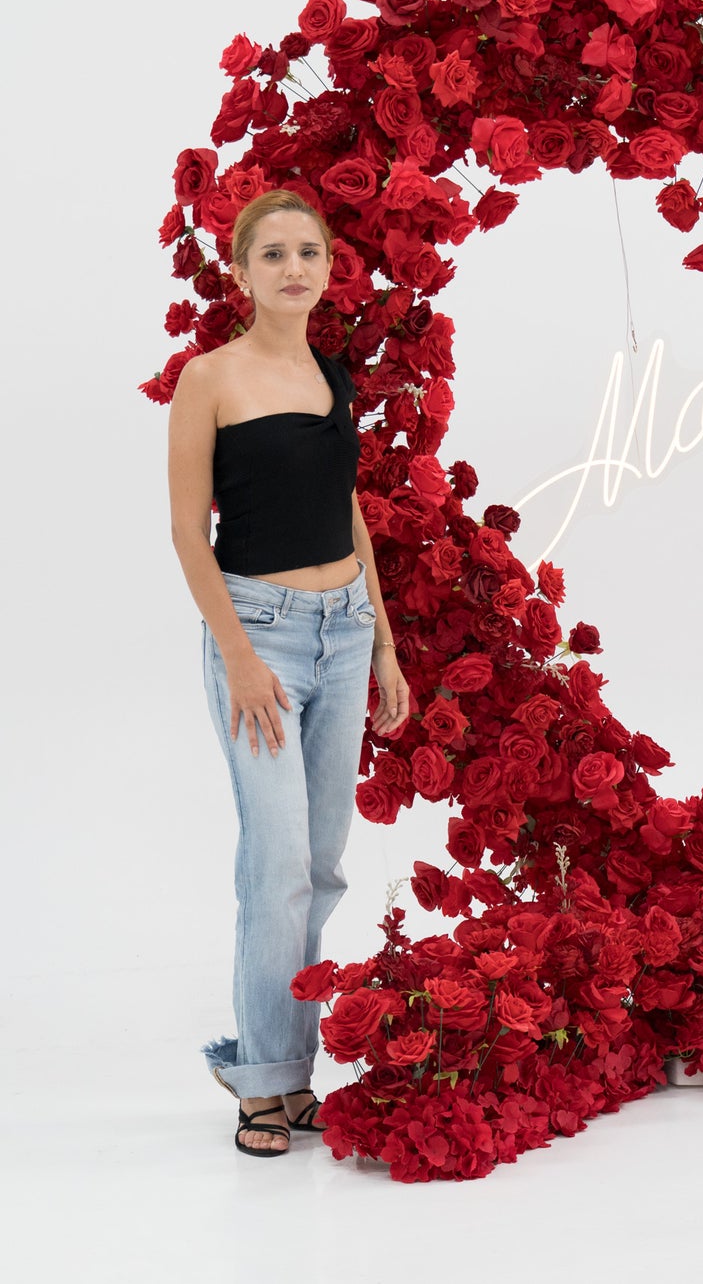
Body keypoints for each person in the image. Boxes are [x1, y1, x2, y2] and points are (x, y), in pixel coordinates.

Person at [167, 189, 410, 1156]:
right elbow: (189, 532)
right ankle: (263, 1083)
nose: (294, 268)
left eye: (309, 252)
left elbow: (347, 513)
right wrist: (239, 658)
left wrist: (384, 642)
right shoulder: (209, 378)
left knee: (316, 865)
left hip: (344, 630)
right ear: (241, 272)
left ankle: (290, 1072)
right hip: (257, 635)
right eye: (273, 254)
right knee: (274, 866)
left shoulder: (330, 374)